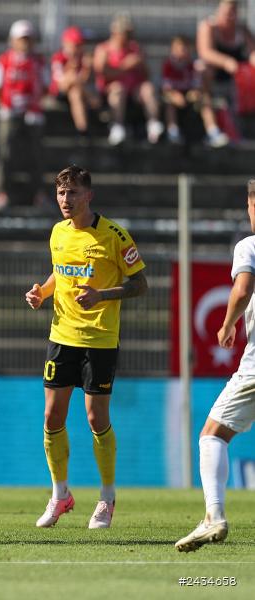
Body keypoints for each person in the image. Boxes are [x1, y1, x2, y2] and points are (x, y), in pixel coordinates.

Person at [25, 165, 148, 529]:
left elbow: (140, 284)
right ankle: (60, 494)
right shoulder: (58, 232)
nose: (66, 200)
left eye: (73, 193)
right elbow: (59, 273)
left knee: (96, 418)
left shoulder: (114, 236)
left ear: (88, 195)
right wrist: (41, 293)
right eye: (62, 193)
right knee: (51, 418)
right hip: (62, 336)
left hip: (99, 339)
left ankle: (107, 498)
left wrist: (102, 296)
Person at [176, 178, 255, 552]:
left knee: (212, 433)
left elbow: (242, 289)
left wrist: (227, 324)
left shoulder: (249, 246)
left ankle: (214, 517)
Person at [0, 20, 48, 216]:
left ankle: (38, 194)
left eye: (28, 39)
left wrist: (32, 103)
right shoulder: (4, 60)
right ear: (13, 40)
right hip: (9, 110)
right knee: (4, 151)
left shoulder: (39, 61)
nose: (25, 43)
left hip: (34, 112)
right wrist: (9, 104)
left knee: (36, 154)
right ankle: (1, 193)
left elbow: (47, 86)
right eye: (22, 39)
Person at [93, 14, 164, 146]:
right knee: (118, 89)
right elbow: (102, 73)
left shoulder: (135, 48)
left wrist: (141, 63)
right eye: (125, 33)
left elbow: (146, 75)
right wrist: (125, 66)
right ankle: (117, 126)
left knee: (148, 88)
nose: (128, 36)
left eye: (130, 33)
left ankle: (153, 124)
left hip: (134, 90)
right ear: (115, 32)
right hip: (113, 90)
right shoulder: (104, 49)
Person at [196, 0, 255, 139]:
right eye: (226, 12)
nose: (229, 16)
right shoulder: (209, 27)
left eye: (233, 12)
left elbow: (253, 52)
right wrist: (226, 62)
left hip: (237, 77)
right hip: (214, 75)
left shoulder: (242, 30)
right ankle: (212, 130)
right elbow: (205, 52)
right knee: (204, 71)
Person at [161, 35, 229, 148]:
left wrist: (195, 93)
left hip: (190, 98)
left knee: (205, 99)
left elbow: (197, 88)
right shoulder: (168, 66)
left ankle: (213, 132)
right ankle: (173, 132)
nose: (182, 52)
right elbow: (166, 90)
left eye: (185, 49)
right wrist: (174, 96)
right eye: (178, 49)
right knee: (169, 103)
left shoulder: (194, 66)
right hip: (175, 97)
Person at [50, 26, 99, 136]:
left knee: (75, 92)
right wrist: (71, 68)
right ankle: (84, 127)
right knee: (73, 83)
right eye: (76, 45)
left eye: (80, 45)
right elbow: (62, 84)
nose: (79, 48)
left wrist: (87, 69)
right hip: (62, 92)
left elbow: (89, 80)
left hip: (79, 91)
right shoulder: (59, 58)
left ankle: (82, 129)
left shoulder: (84, 58)